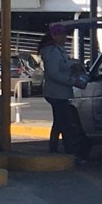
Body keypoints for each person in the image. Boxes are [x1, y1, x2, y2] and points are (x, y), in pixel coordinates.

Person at [38, 23, 89, 159]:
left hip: (61, 92)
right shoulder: (51, 52)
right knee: (65, 122)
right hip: (56, 93)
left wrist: (74, 63)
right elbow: (53, 73)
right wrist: (73, 81)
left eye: (64, 34)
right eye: (61, 34)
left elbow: (64, 64)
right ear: (54, 36)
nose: (64, 37)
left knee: (60, 121)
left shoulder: (59, 50)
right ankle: (69, 152)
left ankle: (54, 148)